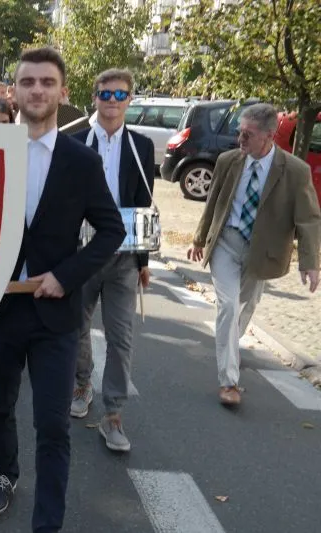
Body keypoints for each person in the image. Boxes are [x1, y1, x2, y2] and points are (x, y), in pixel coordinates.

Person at [0, 46, 125, 533]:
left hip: (55, 314)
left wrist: (67, 275)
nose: (37, 90)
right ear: (12, 91)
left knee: (53, 425)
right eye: (28, 82)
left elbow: (111, 230)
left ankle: (48, 524)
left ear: (62, 93)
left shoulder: (82, 161)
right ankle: (5, 474)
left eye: (47, 82)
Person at [188, 103, 321, 406]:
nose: (240, 140)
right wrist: (199, 238)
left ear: (269, 135)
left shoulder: (295, 171)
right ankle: (229, 381)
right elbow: (214, 201)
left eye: (247, 134)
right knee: (228, 306)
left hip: (262, 251)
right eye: (240, 132)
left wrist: (310, 263)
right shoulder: (228, 161)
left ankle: (229, 348)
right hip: (226, 242)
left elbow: (308, 219)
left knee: (245, 308)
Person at [70, 69, 155, 452]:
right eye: (106, 94)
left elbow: (143, 203)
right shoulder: (74, 142)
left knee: (121, 338)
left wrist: (143, 261)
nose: (112, 101)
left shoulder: (141, 146)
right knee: (76, 326)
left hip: (123, 257)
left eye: (120, 95)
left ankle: (114, 414)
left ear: (129, 100)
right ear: (95, 97)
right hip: (82, 254)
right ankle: (82, 383)